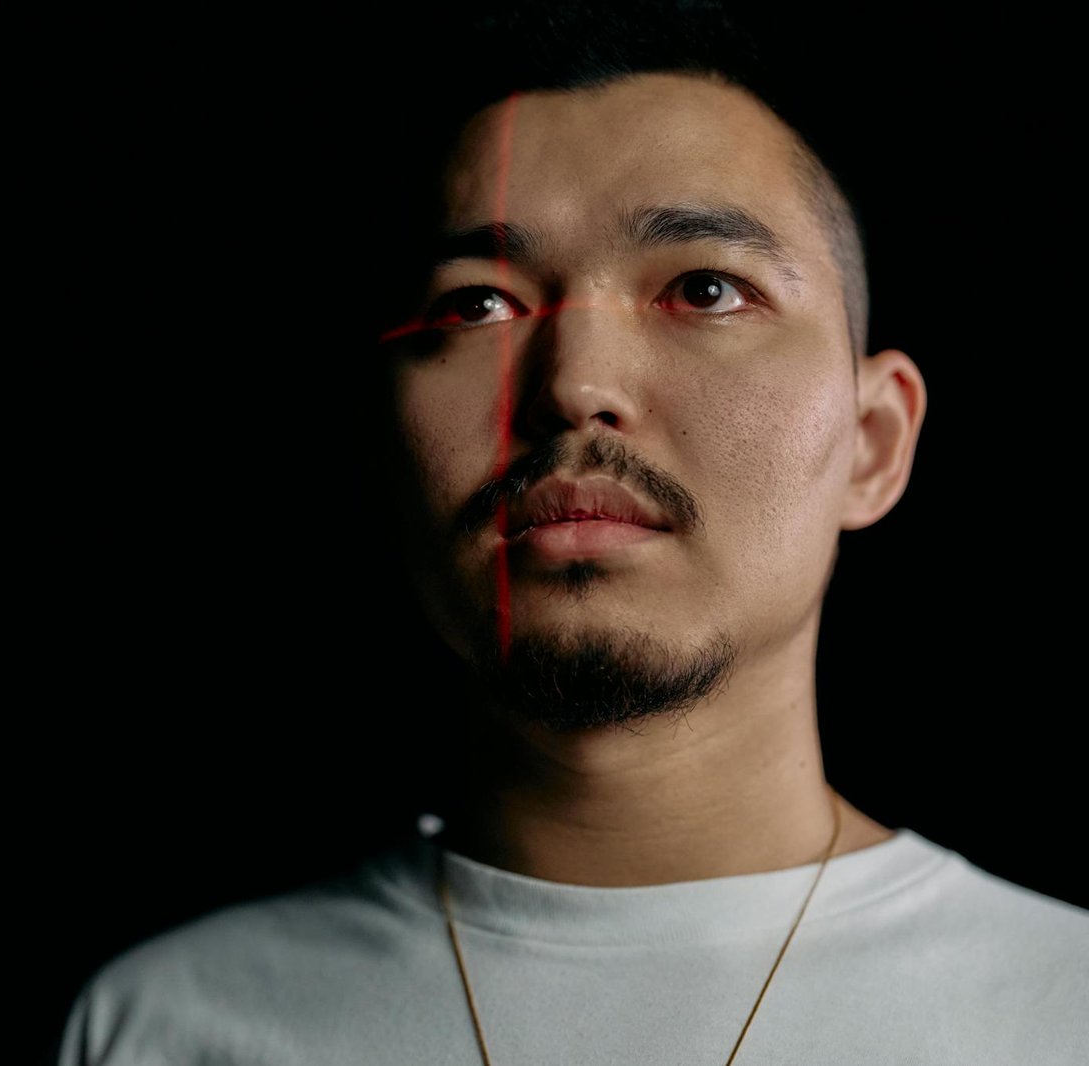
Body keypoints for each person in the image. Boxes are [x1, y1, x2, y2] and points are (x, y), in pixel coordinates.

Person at [53, 3, 1089, 1063]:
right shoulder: (168, 1026)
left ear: (872, 442)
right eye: (477, 307)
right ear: (380, 446)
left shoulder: (1062, 1008)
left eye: (703, 288)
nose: (575, 384)